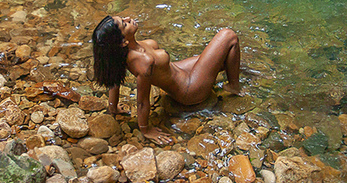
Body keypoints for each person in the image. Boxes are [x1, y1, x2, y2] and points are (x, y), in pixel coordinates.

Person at [92, 15, 241, 144]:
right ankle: (233, 87)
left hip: (180, 70)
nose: (128, 19)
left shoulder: (122, 52)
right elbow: (142, 101)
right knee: (228, 36)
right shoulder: (143, 62)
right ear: (123, 41)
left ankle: (228, 80)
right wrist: (145, 129)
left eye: (123, 18)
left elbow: (114, 78)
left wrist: (113, 107)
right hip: (189, 88)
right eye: (124, 24)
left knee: (225, 59)